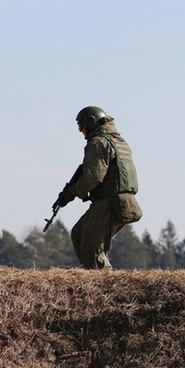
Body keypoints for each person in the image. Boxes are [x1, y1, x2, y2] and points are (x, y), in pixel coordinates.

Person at [56, 106, 142, 269]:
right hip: (121, 200)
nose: (81, 132)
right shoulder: (118, 141)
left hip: (110, 201)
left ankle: (103, 282)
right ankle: (93, 274)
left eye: (81, 127)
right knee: (79, 235)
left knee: (91, 246)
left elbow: (93, 176)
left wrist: (71, 193)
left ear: (90, 124)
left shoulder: (98, 142)